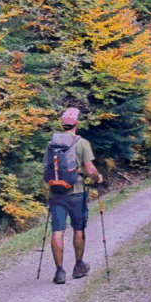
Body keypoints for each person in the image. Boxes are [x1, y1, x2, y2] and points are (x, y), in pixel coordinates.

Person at [47, 107, 102, 285]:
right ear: (76, 124)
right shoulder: (82, 143)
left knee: (57, 230)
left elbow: (46, 168)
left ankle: (59, 271)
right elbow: (90, 169)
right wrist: (97, 177)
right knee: (78, 229)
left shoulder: (51, 143)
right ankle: (78, 266)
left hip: (56, 193)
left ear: (62, 125)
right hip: (76, 192)